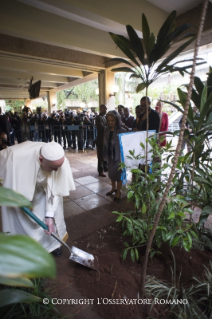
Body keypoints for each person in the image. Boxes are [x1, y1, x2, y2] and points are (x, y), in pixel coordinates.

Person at [0, 141, 75, 255]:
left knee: (52, 218)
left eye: (58, 167)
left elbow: (55, 191)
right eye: (53, 167)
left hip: (47, 192)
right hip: (23, 189)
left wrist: (49, 215)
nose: (56, 171)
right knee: (23, 221)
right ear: (41, 160)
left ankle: (53, 245)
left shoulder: (59, 161)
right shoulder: (17, 156)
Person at [103, 110, 126, 200]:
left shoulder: (122, 130)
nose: (110, 122)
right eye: (108, 120)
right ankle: (113, 188)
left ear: (117, 120)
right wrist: (104, 154)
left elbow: (125, 144)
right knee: (111, 173)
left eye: (112, 120)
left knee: (118, 174)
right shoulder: (106, 130)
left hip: (118, 156)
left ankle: (118, 191)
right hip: (109, 155)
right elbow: (104, 143)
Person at [96, 104, 108, 177]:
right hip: (100, 139)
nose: (105, 110)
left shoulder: (105, 117)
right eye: (104, 109)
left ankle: (105, 167)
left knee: (105, 154)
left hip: (105, 139)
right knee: (100, 155)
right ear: (101, 109)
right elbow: (101, 127)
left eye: (106, 109)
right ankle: (101, 170)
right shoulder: (98, 117)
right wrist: (108, 128)